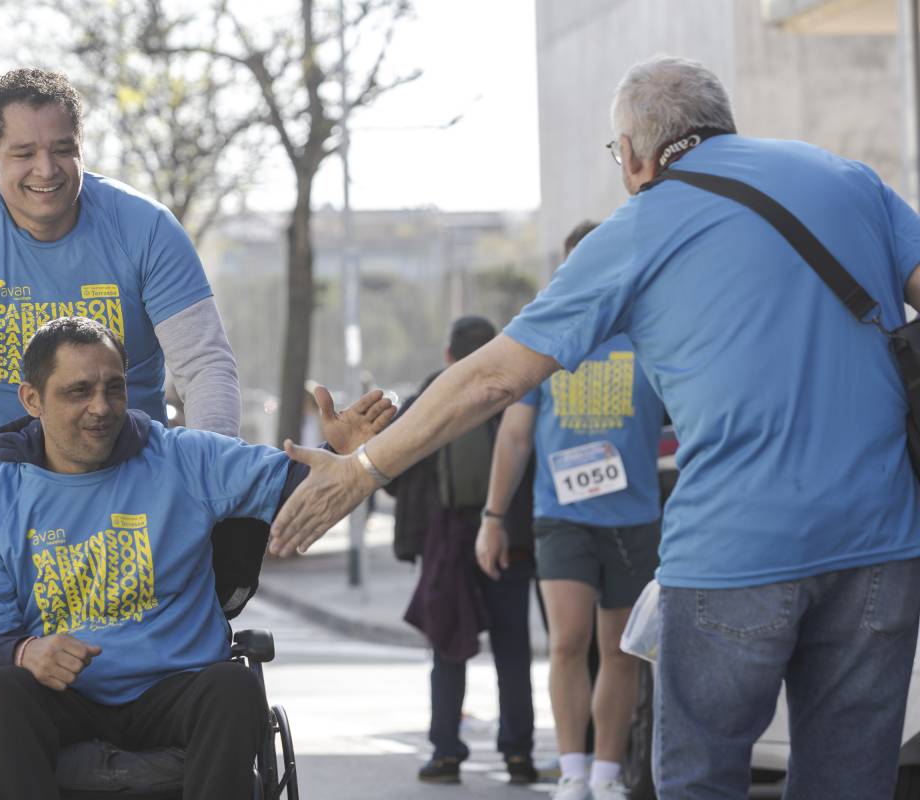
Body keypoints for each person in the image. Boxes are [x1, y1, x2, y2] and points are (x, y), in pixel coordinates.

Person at [270, 55, 920, 800]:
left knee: (699, 782)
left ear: (636, 155)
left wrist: (363, 469)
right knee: (851, 784)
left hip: (736, 554)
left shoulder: (637, 228)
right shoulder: (847, 181)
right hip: (883, 546)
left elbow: (492, 378)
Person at [0, 316, 395, 800]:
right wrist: (24, 653)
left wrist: (341, 454)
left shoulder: (184, 459)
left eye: (114, 388)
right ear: (32, 399)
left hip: (175, 689)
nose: (101, 407)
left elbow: (290, 485)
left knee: (234, 686)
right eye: (78, 391)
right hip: (65, 699)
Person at [0, 68, 240, 485]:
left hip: (138, 491)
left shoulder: (147, 228)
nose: (46, 169)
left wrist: (207, 475)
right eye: (23, 154)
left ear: (81, 149)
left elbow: (205, 364)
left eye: (62, 149)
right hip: (1, 495)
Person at [476, 222, 661, 800]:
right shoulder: (548, 337)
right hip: (561, 515)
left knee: (618, 650)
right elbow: (514, 437)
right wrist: (492, 518)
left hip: (634, 518)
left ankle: (607, 774)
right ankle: (573, 771)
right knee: (566, 642)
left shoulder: (648, 336)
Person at [387, 315, 539, 786]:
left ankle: (446, 753)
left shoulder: (434, 392)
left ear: (449, 355)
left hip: (449, 543)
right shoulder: (514, 388)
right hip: (509, 539)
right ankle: (518, 755)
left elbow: (394, 468)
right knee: (514, 651)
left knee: (448, 649)